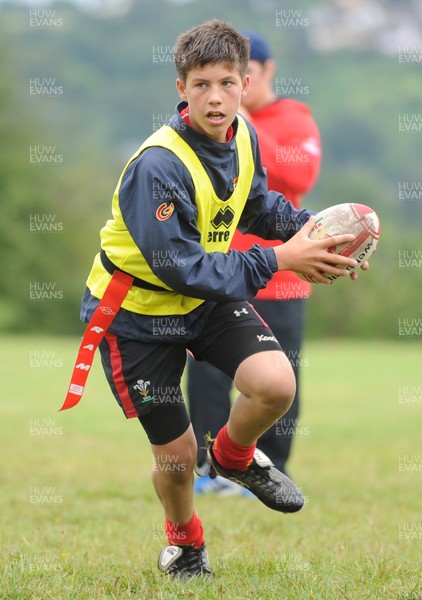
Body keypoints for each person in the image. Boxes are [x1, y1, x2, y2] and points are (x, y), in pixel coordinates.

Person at [66, 20, 362, 580]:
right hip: (138, 315)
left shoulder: (243, 135)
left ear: (246, 82)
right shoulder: (157, 165)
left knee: (275, 384)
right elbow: (181, 268)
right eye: (201, 84)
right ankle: (185, 543)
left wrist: (310, 230)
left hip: (202, 300)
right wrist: (280, 259)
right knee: (176, 460)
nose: (216, 97)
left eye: (228, 82)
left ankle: (232, 458)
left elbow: (254, 206)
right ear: (181, 86)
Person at [188, 30, 322, 494]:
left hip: (281, 276)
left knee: (280, 378)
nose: (222, 94)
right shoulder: (210, 129)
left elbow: (298, 173)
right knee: (205, 375)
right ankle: (209, 469)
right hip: (221, 273)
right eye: (213, 83)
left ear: (263, 73)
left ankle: (266, 470)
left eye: (238, 79)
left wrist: (243, 122)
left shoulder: (292, 118)